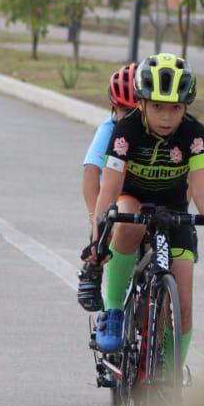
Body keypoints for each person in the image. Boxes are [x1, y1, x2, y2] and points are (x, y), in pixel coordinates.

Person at [89, 53, 204, 369]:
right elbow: (110, 187)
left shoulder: (194, 134)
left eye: (175, 108)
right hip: (133, 198)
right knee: (126, 222)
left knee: (184, 307)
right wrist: (98, 241)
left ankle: (170, 381)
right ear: (142, 103)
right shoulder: (126, 130)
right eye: (157, 106)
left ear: (186, 107)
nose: (166, 117)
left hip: (174, 208)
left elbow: (202, 191)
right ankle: (115, 309)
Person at [77, 63, 139, 311]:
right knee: (106, 224)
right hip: (117, 196)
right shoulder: (109, 130)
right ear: (113, 107)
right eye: (124, 110)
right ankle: (93, 269)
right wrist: (96, 221)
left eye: (136, 111)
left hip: (149, 194)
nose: (130, 118)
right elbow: (91, 173)